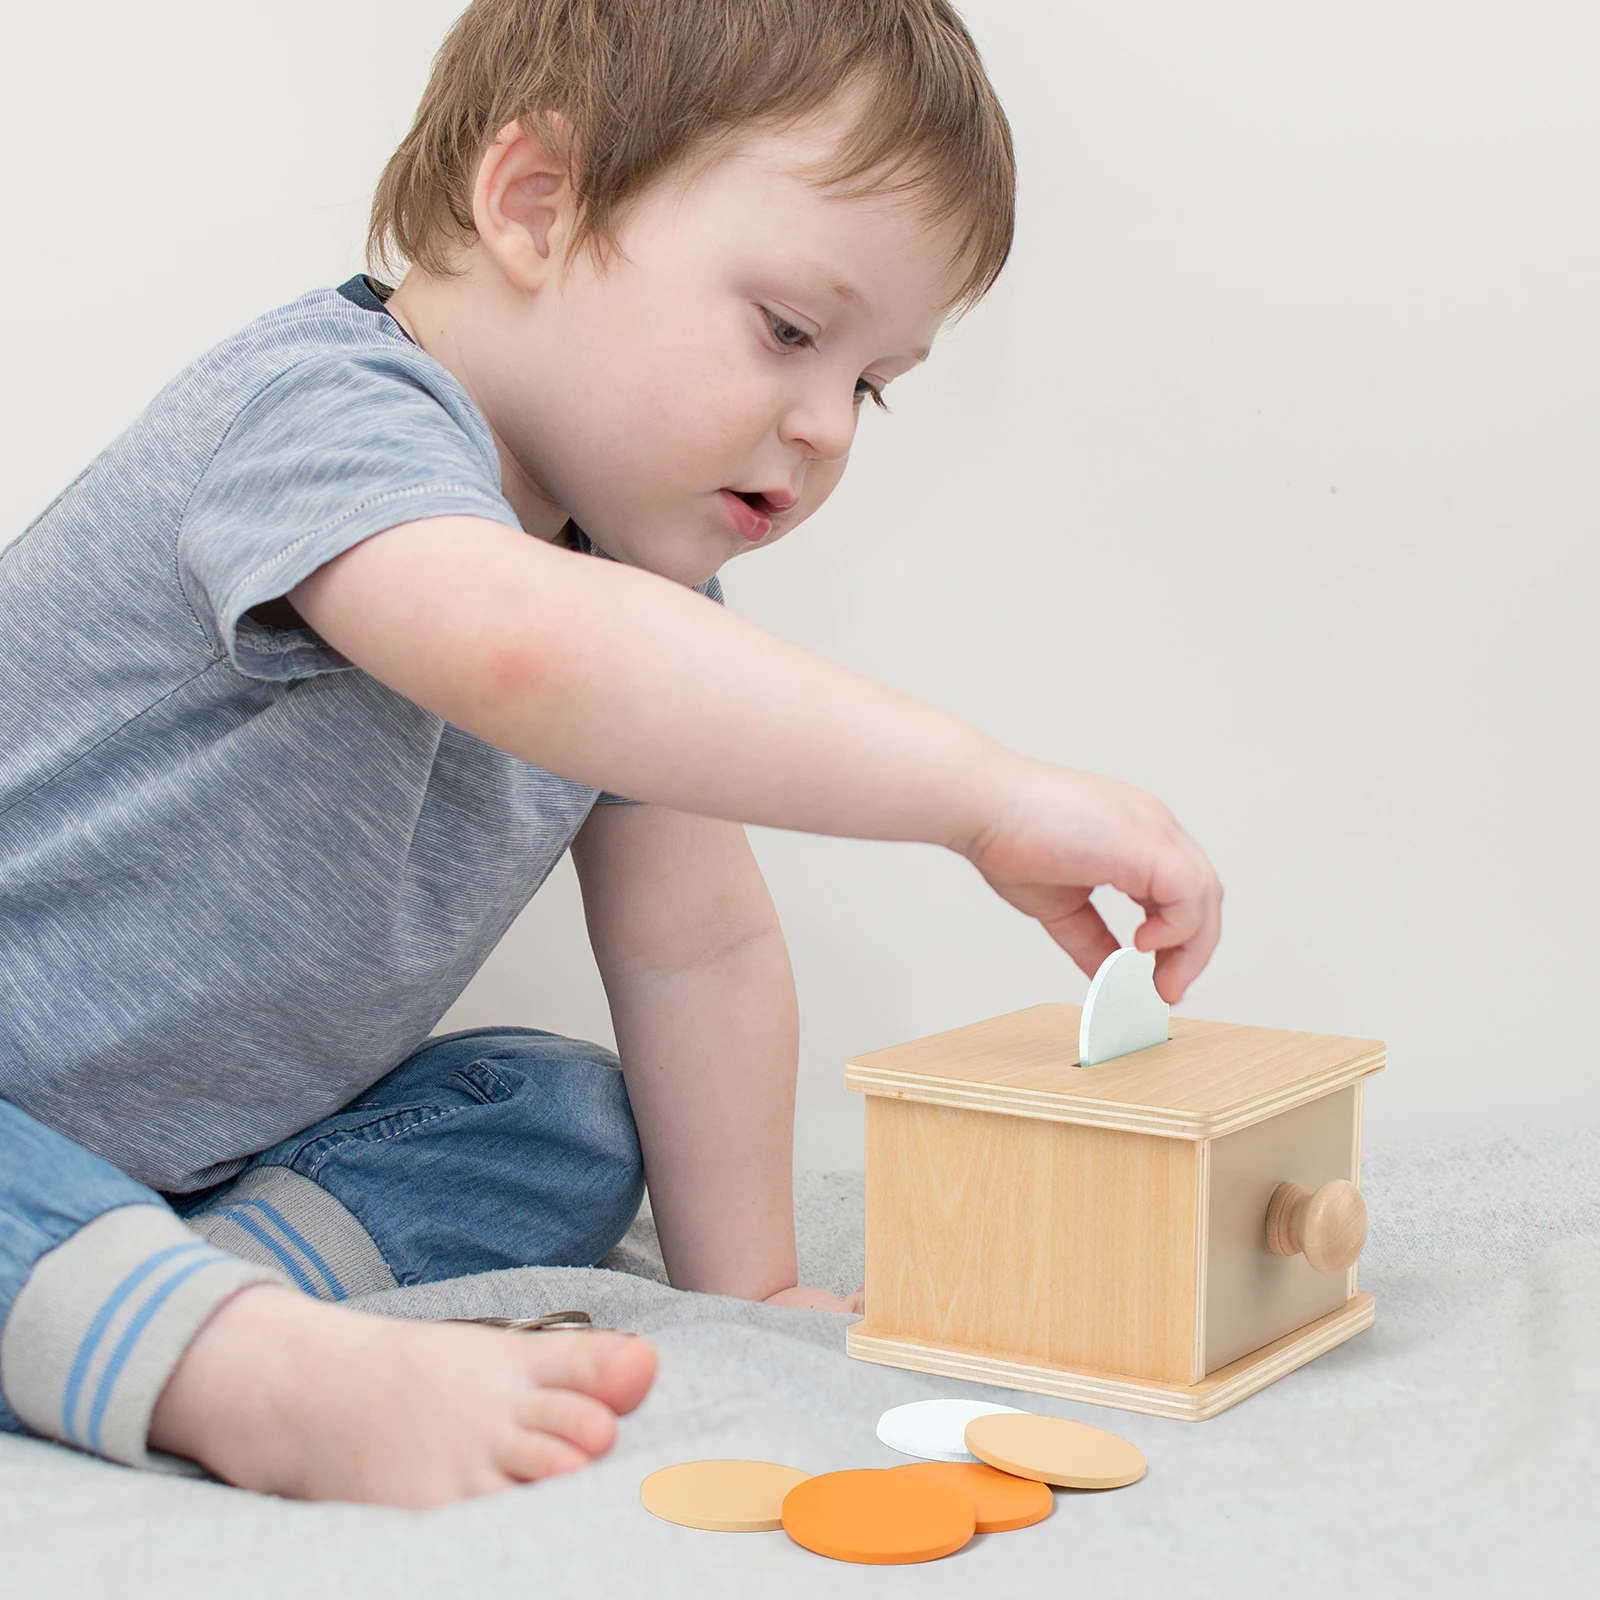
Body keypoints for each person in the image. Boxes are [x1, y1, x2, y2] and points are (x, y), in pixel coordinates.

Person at [0, 0, 1221, 1507]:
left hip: (163, 1160)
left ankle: (157, 1285)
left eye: (869, 383)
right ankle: (214, 1360)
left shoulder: (640, 605)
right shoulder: (323, 413)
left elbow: (697, 947)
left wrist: (750, 1289)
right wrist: (977, 796)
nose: (829, 428)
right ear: (534, 204)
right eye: (791, 332)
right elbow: (524, 650)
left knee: (561, 1118)